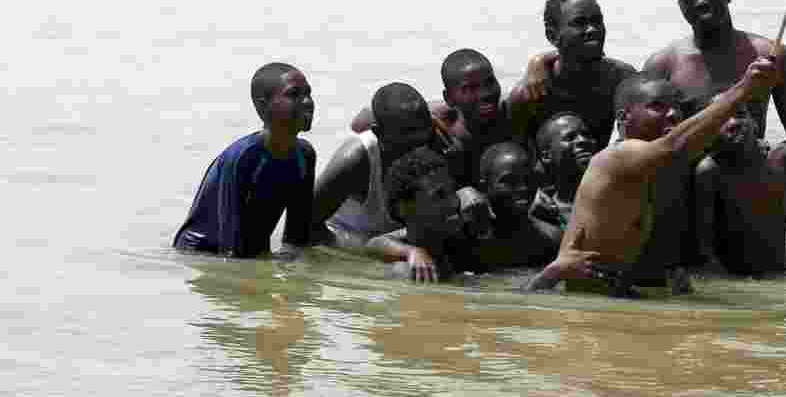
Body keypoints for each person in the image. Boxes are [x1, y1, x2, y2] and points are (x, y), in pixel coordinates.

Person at [527, 57, 781, 294]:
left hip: (611, 304)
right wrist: (743, 89)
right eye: (657, 107)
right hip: (578, 310)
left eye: (674, 107)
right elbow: (676, 145)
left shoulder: (654, 168)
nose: (672, 114)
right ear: (624, 119)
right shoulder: (617, 157)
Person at [643, 0, 786, 164]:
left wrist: (764, 155)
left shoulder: (770, 56)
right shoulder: (662, 66)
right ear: (680, 6)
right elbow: (644, 148)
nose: (701, 1)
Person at [173, 62, 316, 259]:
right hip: (202, 252)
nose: (307, 101)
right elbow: (230, 251)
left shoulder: (305, 156)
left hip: (250, 250)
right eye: (294, 94)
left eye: (308, 93)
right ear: (262, 104)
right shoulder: (243, 158)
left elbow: (297, 241)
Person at [311, 82, 442, 282]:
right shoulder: (355, 160)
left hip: (395, 241)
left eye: (423, 133)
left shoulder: (435, 142)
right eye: (407, 137)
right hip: (347, 246)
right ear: (379, 133)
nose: (417, 146)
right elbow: (302, 227)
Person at [693, 100, 786, 276]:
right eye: (721, 120)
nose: (732, 123)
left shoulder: (783, 158)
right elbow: (705, 249)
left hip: (778, 279)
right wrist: (730, 292)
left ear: (754, 121)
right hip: (737, 282)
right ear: (709, 131)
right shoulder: (710, 172)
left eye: (739, 114)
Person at [350, 49, 527, 186]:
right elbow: (360, 122)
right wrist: (425, 116)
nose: (485, 94)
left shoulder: (510, 112)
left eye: (490, 82)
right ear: (449, 98)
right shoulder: (441, 123)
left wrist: (538, 61)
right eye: (469, 89)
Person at [507, 0, 637, 148]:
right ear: (552, 36)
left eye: (597, 21)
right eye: (579, 23)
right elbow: (516, 156)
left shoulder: (621, 79)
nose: (592, 29)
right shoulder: (530, 94)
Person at [365, 147, 468, 282]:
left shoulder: (456, 244)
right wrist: (411, 252)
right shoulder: (407, 273)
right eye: (439, 195)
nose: (454, 202)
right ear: (404, 209)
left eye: (453, 191)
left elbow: (376, 243)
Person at [466, 142, 562, 269]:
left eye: (528, 179)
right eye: (510, 181)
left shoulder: (551, 239)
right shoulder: (467, 238)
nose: (523, 187)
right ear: (484, 186)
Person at [529, 112, 598, 230]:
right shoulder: (542, 217)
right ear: (546, 156)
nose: (583, 140)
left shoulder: (619, 195)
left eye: (586, 135)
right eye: (570, 137)